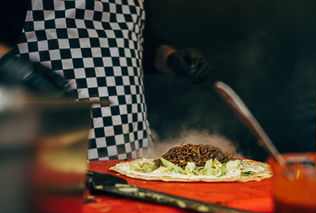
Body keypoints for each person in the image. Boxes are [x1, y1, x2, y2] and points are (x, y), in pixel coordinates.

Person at [0, 0, 210, 160]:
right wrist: (16, 70)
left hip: (131, 141)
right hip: (46, 140)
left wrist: (170, 58)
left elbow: (136, 41)